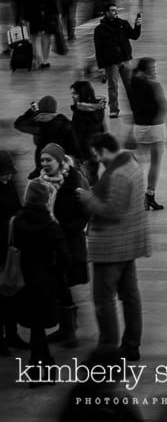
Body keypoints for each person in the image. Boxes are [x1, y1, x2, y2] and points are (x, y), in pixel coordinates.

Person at [75, 133, 150, 360]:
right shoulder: (131, 163)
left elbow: (112, 210)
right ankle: (131, 345)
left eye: (96, 155)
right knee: (130, 296)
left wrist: (87, 197)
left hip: (112, 247)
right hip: (129, 242)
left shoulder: (118, 173)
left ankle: (108, 348)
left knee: (103, 299)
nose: (96, 160)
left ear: (103, 150)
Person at [12, 179, 70, 384]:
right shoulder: (50, 225)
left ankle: (40, 367)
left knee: (36, 327)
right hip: (45, 282)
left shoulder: (17, 221)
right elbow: (65, 258)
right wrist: (55, 273)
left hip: (24, 280)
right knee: (39, 327)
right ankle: (42, 368)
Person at [36, 143, 88, 349]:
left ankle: (69, 330)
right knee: (58, 283)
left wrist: (70, 228)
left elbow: (85, 211)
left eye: (49, 159)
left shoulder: (74, 180)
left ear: (59, 160)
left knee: (64, 281)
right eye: (42, 160)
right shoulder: (39, 180)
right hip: (50, 241)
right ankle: (67, 327)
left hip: (69, 240)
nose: (45, 164)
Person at [128, 58, 167, 211]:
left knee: (140, 161)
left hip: (139, 126)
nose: (155, 70)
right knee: (155, 161)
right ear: (146, 70)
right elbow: (162, 106)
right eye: (153, 67)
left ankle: (135, 193)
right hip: (155, 126)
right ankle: (150, 194)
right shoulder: (154, 84)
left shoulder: (133, 83)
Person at [93, 4, 142, 119]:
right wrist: (101, 66)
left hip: (125, 60)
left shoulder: (123, 24)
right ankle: (114, 110)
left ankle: (135, 108)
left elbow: (134, 36)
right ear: (106, 12)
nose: (115, 12)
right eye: (112, 10)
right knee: (113, 86)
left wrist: (138, 26)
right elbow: (98, 49)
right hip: (111, 62)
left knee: (130, 85)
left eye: (116, 10)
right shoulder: (100, 30)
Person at [14, 96, 81, 177]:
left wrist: (30, 111)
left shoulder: (38, 124)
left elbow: (18, 124)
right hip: (61, 164)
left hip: (43, 165)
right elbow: (74, 145)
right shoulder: (65, 122)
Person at [0, 151, 26, 354]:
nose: (9, 177)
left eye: (10, 173)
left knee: (10, 295)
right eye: (5, 174)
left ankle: (12, 334)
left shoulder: (8, 186)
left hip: (8, 250)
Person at [69, 80, 106, 183]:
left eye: (75, 94)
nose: (73, 96)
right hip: (95, 152)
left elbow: (77, 136)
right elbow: (102, 129)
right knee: (93, 178)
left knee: (84, 182)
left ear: (82, 93)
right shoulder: (98, 108)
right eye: (72, 94)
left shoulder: (80, 113)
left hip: (84, 154)